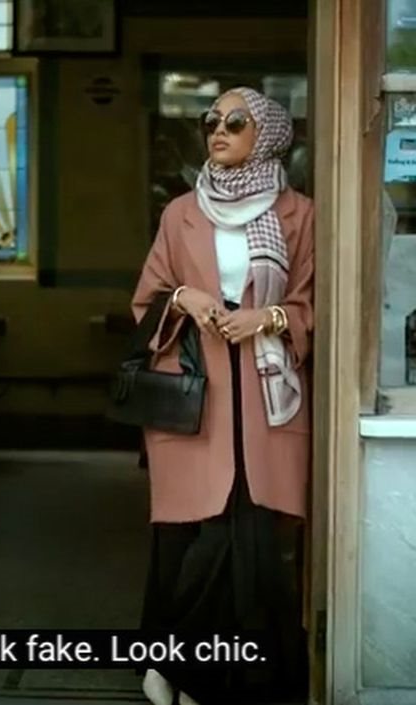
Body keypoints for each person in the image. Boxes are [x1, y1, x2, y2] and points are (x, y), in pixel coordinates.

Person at [130, 86, 314, 705]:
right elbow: (146, 300)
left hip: (267, 400)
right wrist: (188, 298)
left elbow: (315, 304)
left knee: (251, 536)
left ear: (266, 135)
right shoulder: (181, 212)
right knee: (185, 533)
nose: (218, 131)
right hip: (193, 394)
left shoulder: (300, 214)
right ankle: (169, 663)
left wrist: (268, 318)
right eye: (211, 120)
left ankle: (202, 675)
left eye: (235, 122)